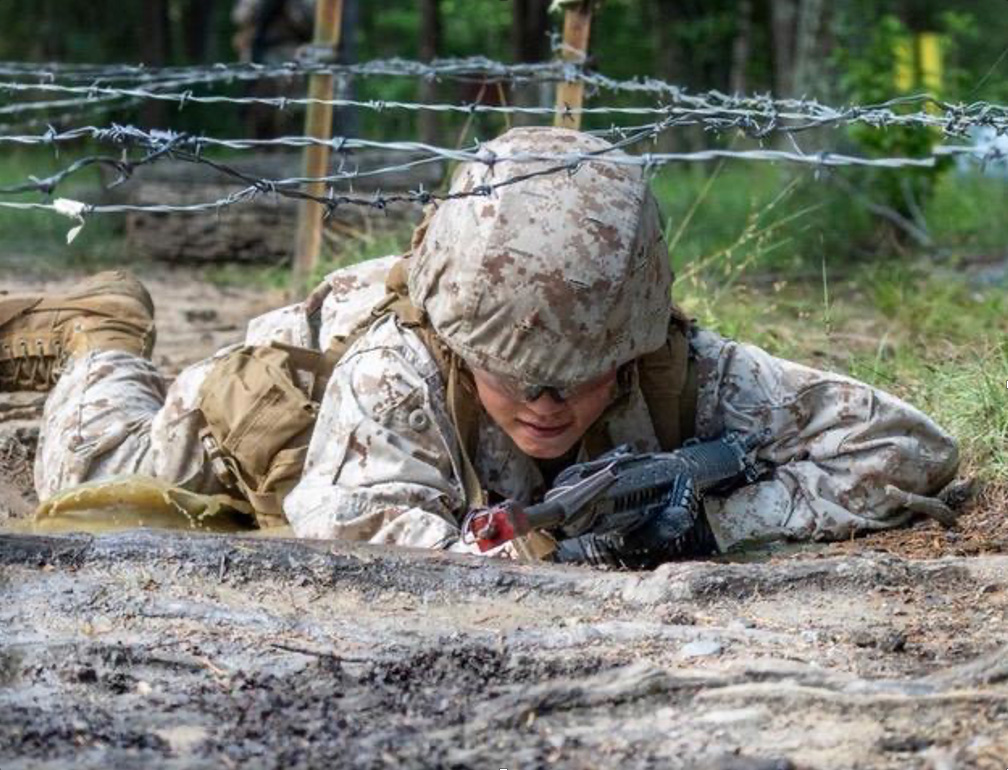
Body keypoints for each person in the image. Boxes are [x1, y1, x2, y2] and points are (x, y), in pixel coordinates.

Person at [0, 127, 959, 564]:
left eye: (579, 375)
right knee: (87, 476)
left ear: (626, 347)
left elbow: (903, 445)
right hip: (287, 392)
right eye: (518, 373)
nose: (548, 402)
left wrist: (711, 524)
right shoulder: (396, 371)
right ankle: (99, 325)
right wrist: (534, 554)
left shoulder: (683, 365)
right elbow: (346, 527)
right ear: (464, 347)